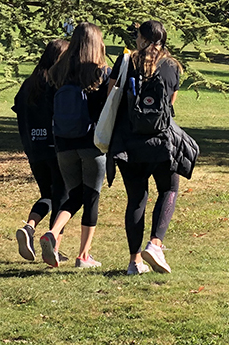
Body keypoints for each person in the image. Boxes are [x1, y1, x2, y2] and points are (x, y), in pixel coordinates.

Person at [106, 21, 184, 275]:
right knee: (169, 188)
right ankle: (156, 243)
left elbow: (111, 96)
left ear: (141, 38)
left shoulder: (126, 61)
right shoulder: (172, 66)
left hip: (128, 144)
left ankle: (134, 262)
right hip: (161, 143)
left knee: (136, 199)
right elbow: (170, 106)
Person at [38, 22, 110, 269]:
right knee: (90, 196)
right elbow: (107, 108)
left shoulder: (58, 70)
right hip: (91, 142)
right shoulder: (100, 72)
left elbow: (49, 103)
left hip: (63, 143)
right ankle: (84, 255)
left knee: (74, 194)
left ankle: (54, 232)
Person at [11, 38, 70, 263]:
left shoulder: (29, 84)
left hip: (34, 150)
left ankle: (29, 227)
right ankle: (53, 247)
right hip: (56, 149)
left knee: (48, 194)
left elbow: (18, 109)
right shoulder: (57, 84)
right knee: (63, 199)